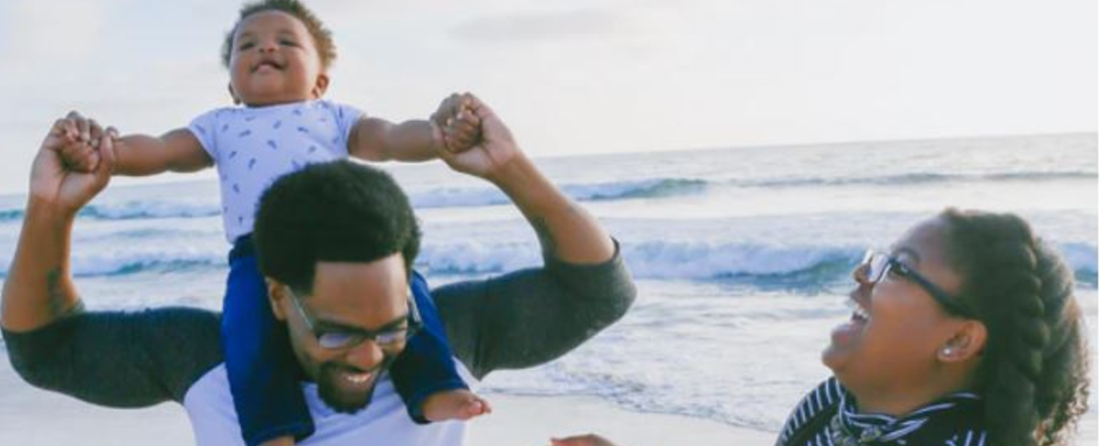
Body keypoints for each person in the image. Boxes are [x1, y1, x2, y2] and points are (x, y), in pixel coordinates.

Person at [3, 94, 636, 446]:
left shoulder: (442, 340)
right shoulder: (209, 360)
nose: (369, 357)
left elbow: (597, 291)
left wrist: (508, 166)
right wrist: (50, 213)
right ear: (277, 296)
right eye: (335, 332)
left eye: (391, 327)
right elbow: (45, 349)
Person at [53, 1, 486, 445]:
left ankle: (435, 388)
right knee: (245, 335)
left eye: (285, 41)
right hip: (256, 253)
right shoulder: (219, 125)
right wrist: (110, 153)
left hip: (341, 244)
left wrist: (437, 137)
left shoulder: (335, 116)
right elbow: (162, 151)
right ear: (232, 87)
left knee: (408, 297)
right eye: (248, 45)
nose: (265, 49)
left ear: (320, 82)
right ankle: (273, 429)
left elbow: (391, 138)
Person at [551, 210, 1089, 446]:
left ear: (957, 340)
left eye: (897, 268)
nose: (863, 274)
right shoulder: (832, 408)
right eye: (876, 258)